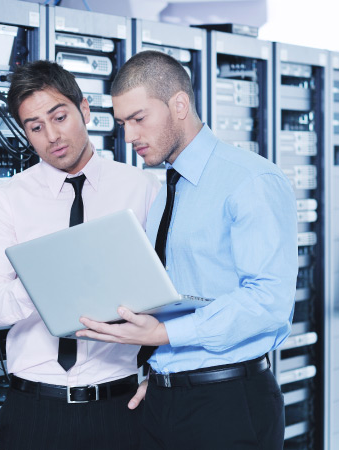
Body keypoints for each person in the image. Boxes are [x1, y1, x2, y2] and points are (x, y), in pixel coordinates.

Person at [77, 50, 297, 450]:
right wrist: (163, 378)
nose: (129, 137)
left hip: (228, 405)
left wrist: (164, 333)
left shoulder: (250, 180)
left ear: (179, 104)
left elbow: (269, 301)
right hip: (163, 399)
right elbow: (178, 293)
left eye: (139, 119)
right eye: (123, 123)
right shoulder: (167, 190)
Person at [0, 60, 159, 450]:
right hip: (36, 409)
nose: (52, 135)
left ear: (84, 110)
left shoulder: (141, 189)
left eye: (60, 117)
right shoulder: (6, 200)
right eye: (36, 127)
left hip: (120, 408)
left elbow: (172, 291)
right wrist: (47, 275)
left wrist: (162, 376)